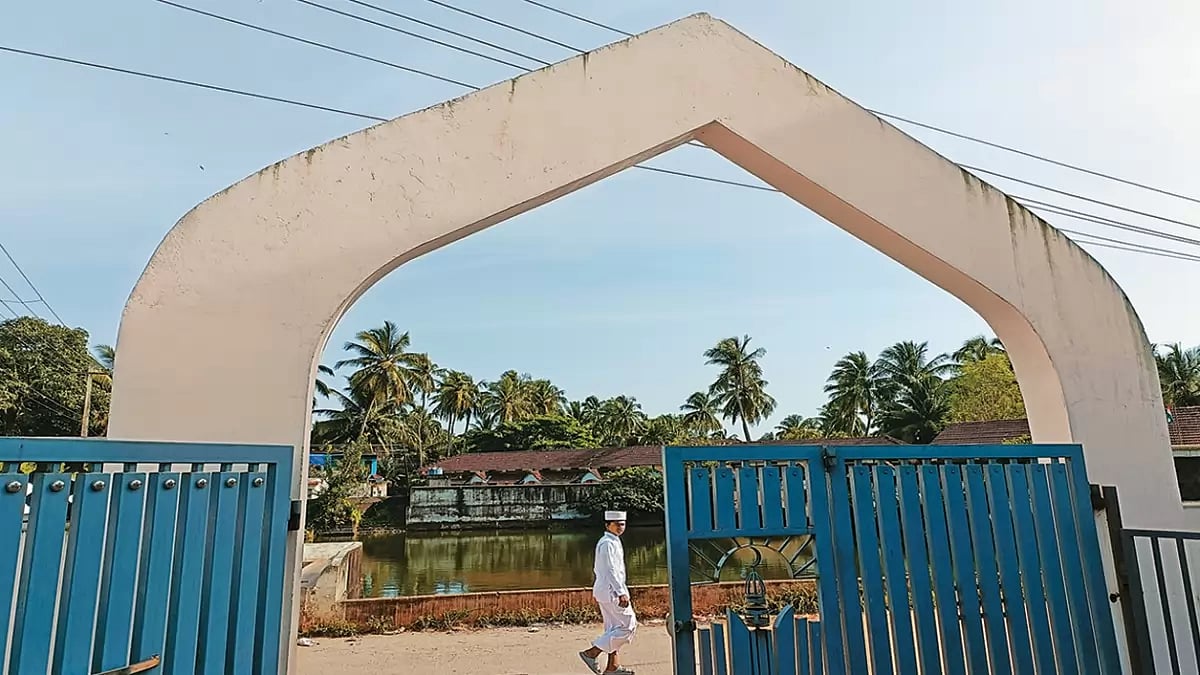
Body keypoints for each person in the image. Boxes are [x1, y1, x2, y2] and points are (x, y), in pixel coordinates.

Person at [579, 510, 637, 674]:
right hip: (612, 592)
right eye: (617, 524)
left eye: (622, 524)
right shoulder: (607, 543)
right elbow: (611, 570)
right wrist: (621, 592)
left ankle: (612, 667)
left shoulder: (613, 541)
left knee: (613, 629)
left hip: (608, 591)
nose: (620, 527)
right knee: (628, 625)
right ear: (607, 525)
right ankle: (592, 653)